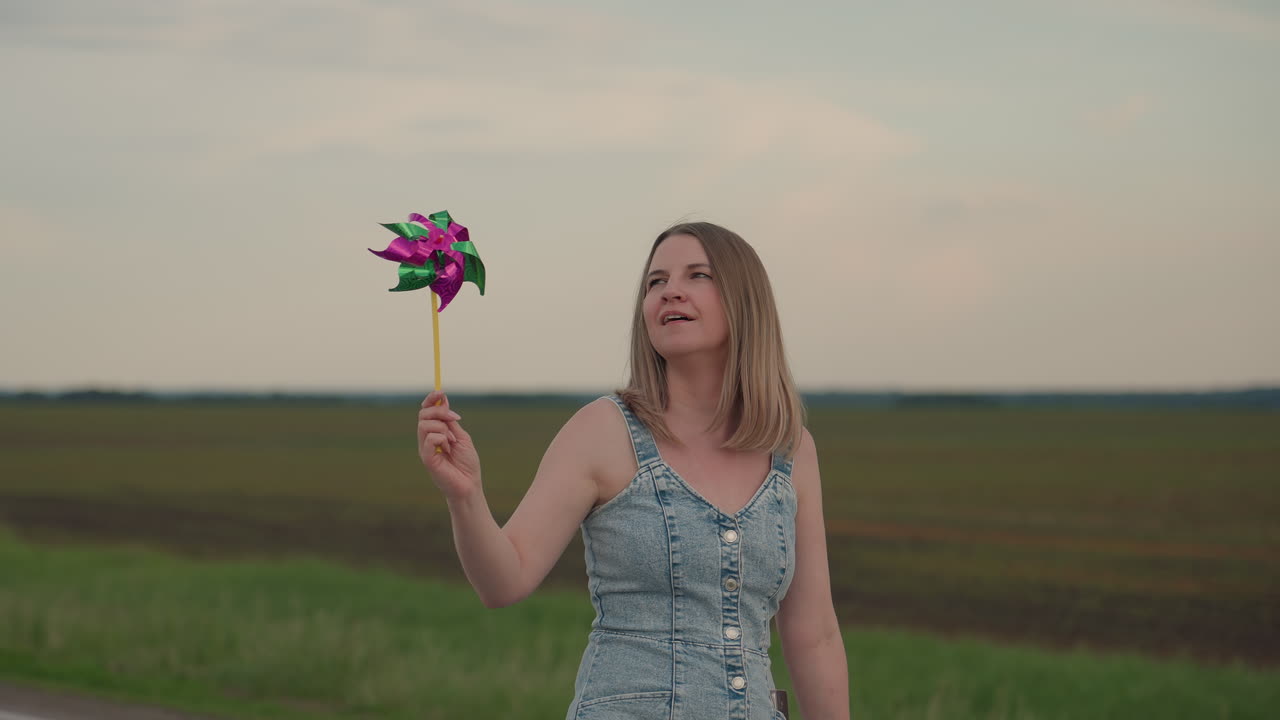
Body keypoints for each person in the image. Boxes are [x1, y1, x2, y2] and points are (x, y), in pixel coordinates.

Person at [417, 222, 849, 719]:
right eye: (655, 282)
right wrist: (465, 496)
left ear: (744, 301)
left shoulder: (791, 449)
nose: (671, 291)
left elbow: (813, 634)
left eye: (697, 275)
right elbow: (503, 582)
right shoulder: (602, 431)